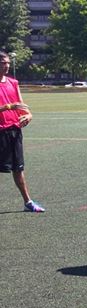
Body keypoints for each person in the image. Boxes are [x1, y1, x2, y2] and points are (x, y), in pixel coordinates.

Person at [0, 51, 44, 212]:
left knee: (18, 169)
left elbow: (21, 105)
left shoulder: (13, 82)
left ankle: (28, 202)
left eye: (8, 63)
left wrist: (29, 115)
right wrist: (8, 107)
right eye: (3, 63)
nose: (6, 66)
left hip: (14, 131)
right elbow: (12, 106)